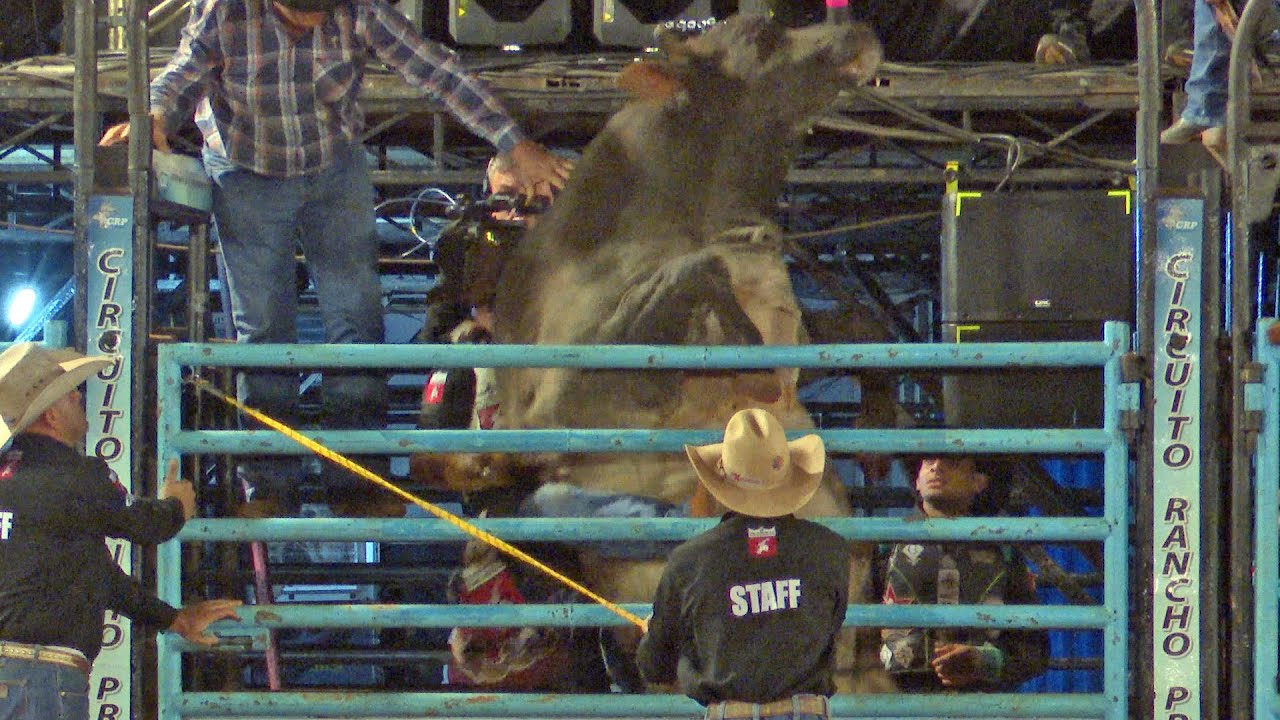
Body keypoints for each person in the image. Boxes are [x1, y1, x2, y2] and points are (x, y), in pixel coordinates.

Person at [99, 0, 573, 519]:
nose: (314, 25)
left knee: (357, 317)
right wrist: (154, 115)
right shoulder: (224, 10)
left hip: (332, 163)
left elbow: (437, 71)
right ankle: (267, 485)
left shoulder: (359, 9)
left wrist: (512, 142)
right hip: (245, 166)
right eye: (302, 18)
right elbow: (182, 70)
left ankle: (356, 480)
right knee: (262, 329)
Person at [0, 342, 242, 720]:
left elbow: (94, 572)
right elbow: (149, 526)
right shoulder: (79, 477)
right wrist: (177, 505)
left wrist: (172, 618)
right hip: (43, 675)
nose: (79, 396)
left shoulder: (11, 477)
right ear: (50, 414)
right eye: (69, 394)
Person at [636, 408, 849, 719]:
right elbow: (831, 627)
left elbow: (655, 665)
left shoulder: (690, 562)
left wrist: (659, 638)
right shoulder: (830, 550)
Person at [877, 453, 1048, 692]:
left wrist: (983, 661)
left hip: (979, 706)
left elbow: (1034, 650)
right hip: (898, 704)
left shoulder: (1003, 554)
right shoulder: (884, 546)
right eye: (928, 462)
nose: (936, 468)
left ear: (978, 482)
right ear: (917, 480)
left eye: (953, 463)